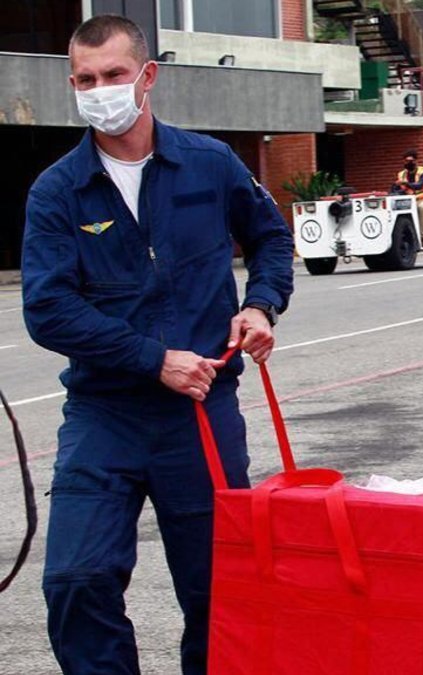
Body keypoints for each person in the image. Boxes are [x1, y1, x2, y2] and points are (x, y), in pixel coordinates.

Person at [21, 15, 294, 674]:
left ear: (147, 77)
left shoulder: (209, 163)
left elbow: (271, 237)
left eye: (113, 75)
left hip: (199, 417)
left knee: (219, 593)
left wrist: (261, 303)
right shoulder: (58, 191)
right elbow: (48, 309)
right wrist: (153, 359)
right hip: (104, 414)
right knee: (75, 580)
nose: (99, 90)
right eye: (85, 79)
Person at [394, 148, 423, 246]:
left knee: (422, 207)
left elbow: (419, 185)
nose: (408, 163)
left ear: (416, 161)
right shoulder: (401, 174)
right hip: (411, 200)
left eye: (411, 161)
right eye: (406, 161)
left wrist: (405, 183)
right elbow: (400, 189)